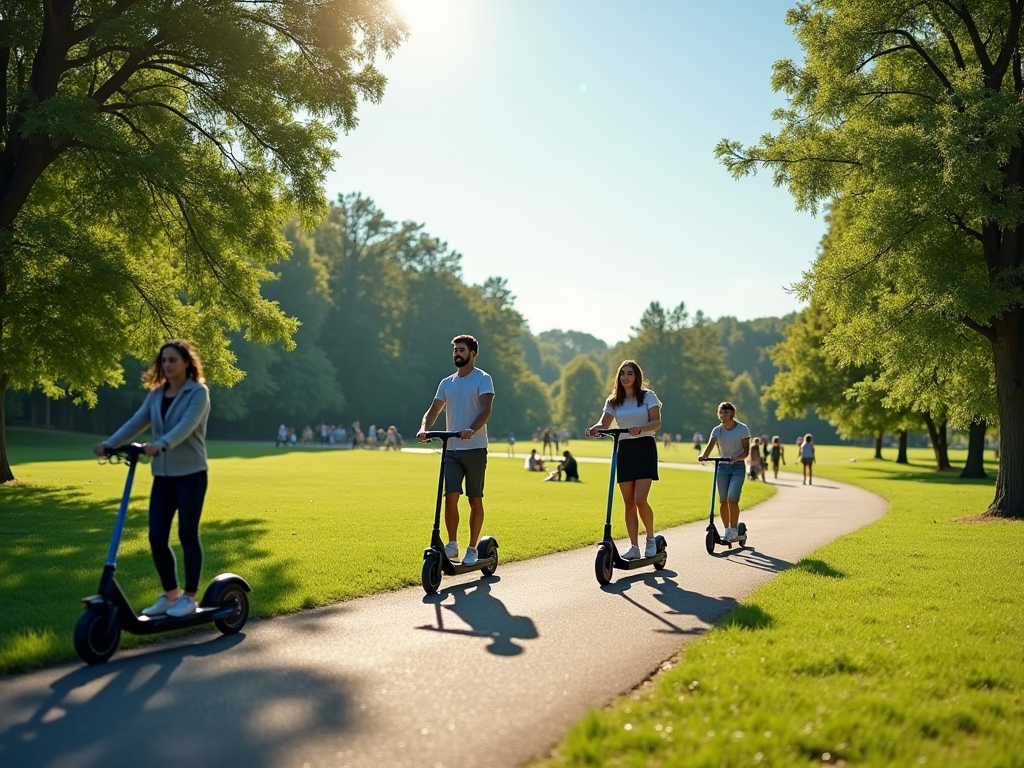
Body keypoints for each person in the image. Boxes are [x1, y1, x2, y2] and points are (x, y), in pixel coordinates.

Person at [92, 340, 211, 618]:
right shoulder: (157, 394)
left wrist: (163, 444)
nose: (167, 365)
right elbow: (137, 421)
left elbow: (186, 426)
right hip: (163, 476)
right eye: (164, 360)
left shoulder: (198, 393)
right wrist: (110, 443)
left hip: (191, 474)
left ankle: (189, 598)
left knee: (187, 534)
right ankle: (171, 596)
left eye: (172, 360)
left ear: (186, 362)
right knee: (156, 536)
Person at [417, 335, 495, 566]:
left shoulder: (483, 379)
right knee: (450, 497)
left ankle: (472, 548)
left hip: (475, 448)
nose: (456, 354)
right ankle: (452, 544)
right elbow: (433, 411)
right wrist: (424, 429)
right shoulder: (447, 383)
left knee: (474, 499)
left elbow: (486, 409)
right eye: (454, 350)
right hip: (451, 449)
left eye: (461, 350)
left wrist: (471, 428)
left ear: (473, 353)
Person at [586, 359, 662, 559]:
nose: (626, 377)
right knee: (628, 502)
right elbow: (604, 423)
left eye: (630, 373)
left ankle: (651, 538)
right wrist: (595, 429)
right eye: (622, 373)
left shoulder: (647, 396)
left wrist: (641, 428)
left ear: (636, 377)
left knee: (640, 500)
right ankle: (634, 547)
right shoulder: (613, 401)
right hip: (624, 449)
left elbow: (656, 422)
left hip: (644, 447)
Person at [698, 402, 750, 543]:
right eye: (721, 412)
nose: (723, 415)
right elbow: (710, 446)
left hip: (737, 466)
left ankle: (733, 529)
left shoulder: (742, 429)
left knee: (732, 499)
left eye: (726, 413)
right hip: (722, 467)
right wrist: (703, 455)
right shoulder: (717, 430)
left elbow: (746, 451)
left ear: (732, 414)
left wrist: (737, 458)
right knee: (723, 500)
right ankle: (727, 529)